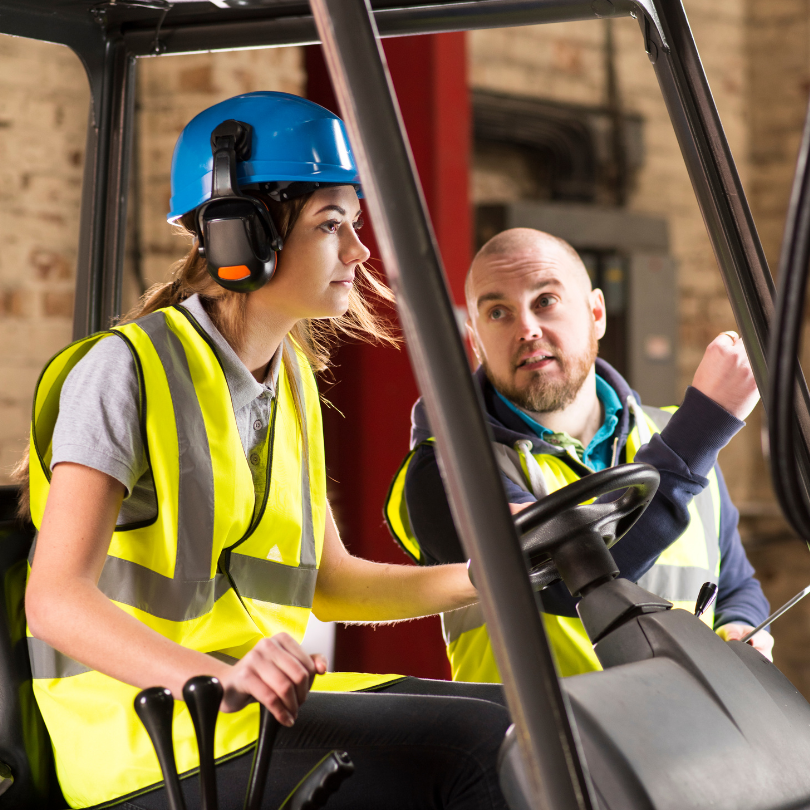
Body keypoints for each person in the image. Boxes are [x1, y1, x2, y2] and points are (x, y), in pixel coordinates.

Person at [21, 92, 511, 810]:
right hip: (149, 731)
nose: (358, 251)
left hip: (251, 711)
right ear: (240, 238)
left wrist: (490, 574)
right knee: (475, 753)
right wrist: (212, 678)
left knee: (520, 720)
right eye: (331, 224)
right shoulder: (126, 371)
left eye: (355, 223)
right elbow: (55, 599)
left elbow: (331, 581)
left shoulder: (291, 385)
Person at [385, 227, 773, 684]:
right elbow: (576, 582)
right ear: (476, 341)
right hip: (540, 749)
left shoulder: (671, 435)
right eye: (497, 312)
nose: (526, 328)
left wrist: (742, 628)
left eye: (545, 300)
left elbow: (736, 584)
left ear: (595, 313)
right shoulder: (446, 469)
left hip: (689, 740)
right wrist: (707, 423)